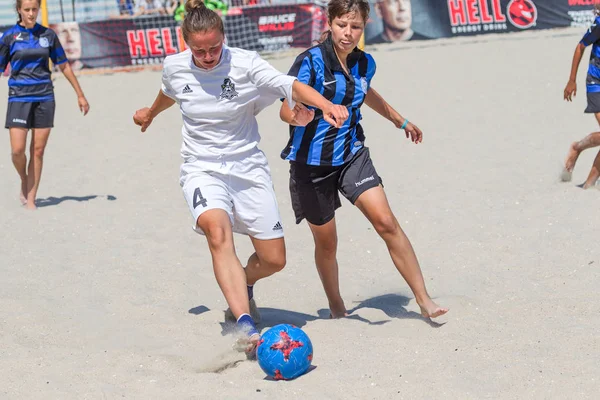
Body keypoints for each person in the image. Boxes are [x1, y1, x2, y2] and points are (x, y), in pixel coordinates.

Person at [132, 0, 348, 355]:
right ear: (186, 43)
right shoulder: (174, 66)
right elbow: (169, 92)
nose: (206, 56)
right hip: (201, 168)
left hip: (248, 168)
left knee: (274, 259)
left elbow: (289, 84)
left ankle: (244, 283)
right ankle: (244, 324)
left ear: (224, 37)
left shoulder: (246, 64)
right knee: (217, 233)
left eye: (214, 47)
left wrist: (324, 106)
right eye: (198, 50)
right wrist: (150, 113)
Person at [279, 0, 448, 320]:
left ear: (364, 26)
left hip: (351, 154)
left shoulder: (364, 63)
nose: (348, 33)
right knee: (327, 244)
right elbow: (285, 108)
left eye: (355, 27)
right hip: (310, 166)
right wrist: (297, 117)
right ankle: (337, 306)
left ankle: (424, 300)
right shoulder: (309, 62)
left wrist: (400, 120)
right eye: (342, 25)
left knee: (386, 222)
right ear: (329, 22)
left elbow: (365, 92)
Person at [1, 0, 90, 210]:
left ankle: (31, 199)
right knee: (17, 151)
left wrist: (80, 94)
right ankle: (24, 179)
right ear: (19, 11)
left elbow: (64, 66)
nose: (31, 14)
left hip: (44, 96)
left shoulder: (48, 35)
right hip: (19, 97)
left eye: (34, 9)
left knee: (38, 151)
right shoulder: (9, 36)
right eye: (27, 10)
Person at [562, 5, 600, 189]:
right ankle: (577, 147)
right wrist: (571, 80)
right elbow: (580, 46)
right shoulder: (599, 24)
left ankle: (588, 185)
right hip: (596, 83)